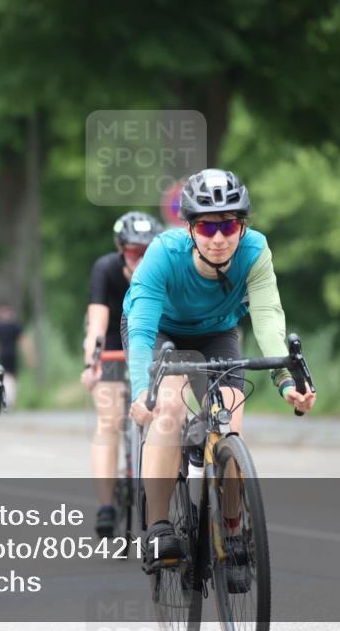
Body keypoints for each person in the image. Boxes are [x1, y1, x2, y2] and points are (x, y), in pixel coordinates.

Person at [123, 169, 315, 589]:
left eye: (228, 225)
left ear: (241, 225)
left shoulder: (255, 250)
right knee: (169, 408)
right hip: (162, 331)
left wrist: (286, 380)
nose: (218, 237)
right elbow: (139, 332)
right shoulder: (163, 254)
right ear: (190, 228)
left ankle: (231, 531)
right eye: (207, 226)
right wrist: (143, 392)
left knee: (230, 419)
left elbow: (266, 316)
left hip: (218, 332)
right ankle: (158, 528)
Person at [81, 211, 162, 538]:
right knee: (109, 419)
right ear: (120, 250)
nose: (139, 258)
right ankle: (106, 505)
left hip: (153, 338)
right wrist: (92, 363)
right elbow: (97, 324)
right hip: (114, 342)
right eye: (132, 251)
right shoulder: (106, 269)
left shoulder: (161, 268)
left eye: (145, 251)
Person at [0, 304, 23, 407]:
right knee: (12, 378)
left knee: (3, 377)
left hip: (2, 354)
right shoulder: (15, 325)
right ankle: (11, 400)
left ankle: (5, 399)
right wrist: (28, 356)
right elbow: (23, 340)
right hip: (13, 354)